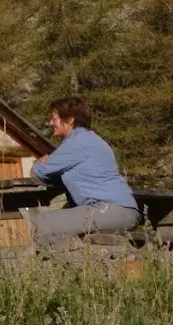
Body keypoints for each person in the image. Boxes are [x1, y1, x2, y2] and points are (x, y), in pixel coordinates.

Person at [26, 96, 139, 247]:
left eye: (54, 118)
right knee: (64, 217)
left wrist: (37, 163)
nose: (51, 123)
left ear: (70, 120)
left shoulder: (76, 143)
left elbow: (37, 172)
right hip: (121, 210)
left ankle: (66, 265)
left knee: (43, 222)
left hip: (110, 210)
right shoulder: (90, 139)